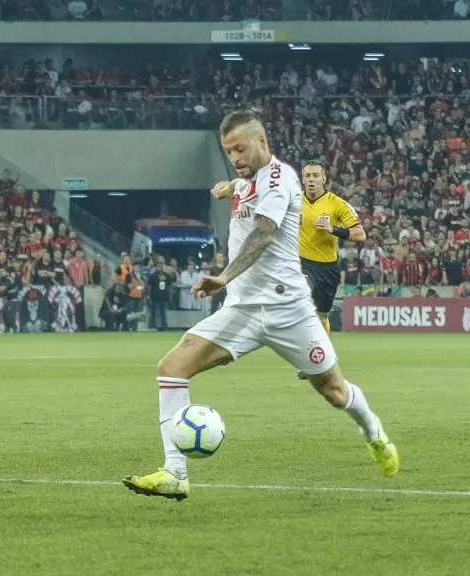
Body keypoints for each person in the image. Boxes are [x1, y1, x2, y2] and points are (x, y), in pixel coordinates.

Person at [123, 111, 398, 502]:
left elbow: (265, 233)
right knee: (171, 368)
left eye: (240, 148)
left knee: (335, 392)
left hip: (289, 310)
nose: (234, 156)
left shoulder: (280, 178)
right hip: (242, 312)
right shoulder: (249, 178)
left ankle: (374, 433)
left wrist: (223, 276)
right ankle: (175, 472)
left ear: (262, 141)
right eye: (228, 151)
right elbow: (243, 182)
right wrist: (229, 186)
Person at [296, 161, 366, 333]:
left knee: (322, 316)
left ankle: (321, 352)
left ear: (324, 179)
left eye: (315, 175)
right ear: (302, 179)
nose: (311, 179)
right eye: (307, 175)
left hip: (327, 268)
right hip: (300, 262)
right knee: (301, 299)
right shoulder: (293, 201)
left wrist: (333, 229)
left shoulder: (337, 204)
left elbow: (360, 234)